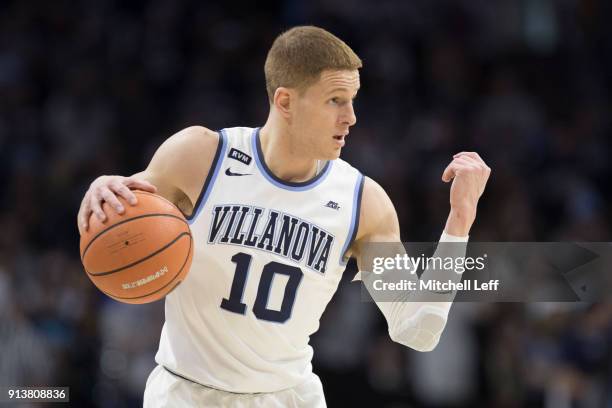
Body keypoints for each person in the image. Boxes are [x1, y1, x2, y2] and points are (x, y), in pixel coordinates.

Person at [77, 26, 490, 408]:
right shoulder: (200, 156)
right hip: (184, 392)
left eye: (352, 101)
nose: (351, 117)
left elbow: (418, 329)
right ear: (286, 101)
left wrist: (460, 220)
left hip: (287, 398)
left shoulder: (364, 202)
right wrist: (97, 193)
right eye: (335, 101)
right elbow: (117, 212)